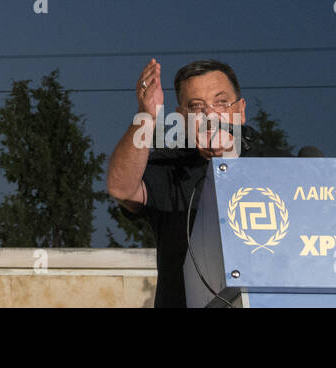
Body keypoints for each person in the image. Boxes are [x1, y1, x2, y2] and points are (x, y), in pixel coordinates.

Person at [106, 58, 263, 307]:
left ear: (241, 110)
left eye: (221, 103)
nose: (210, 114)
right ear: (181, 117)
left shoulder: (272, 163)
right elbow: (120, 187)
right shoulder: (169, 168)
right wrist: (147, 114)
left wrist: (230, 157)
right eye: (197, 107)